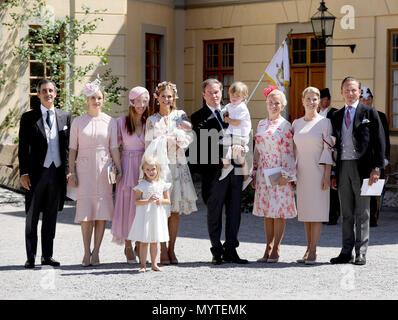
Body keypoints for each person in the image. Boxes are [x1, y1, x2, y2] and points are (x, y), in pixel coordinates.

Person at [191, 78, 249, 265]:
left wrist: (242, 152)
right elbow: (200, 147)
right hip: (214, 172)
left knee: (234, 212)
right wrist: (220, 159)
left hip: (236, 169)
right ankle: (216, 250)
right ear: (203, 95)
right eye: (210, 92)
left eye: (217, 92)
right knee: (214, 212)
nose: (215, 95)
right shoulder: (198, 117)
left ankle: (231, 249)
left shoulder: (232, 109)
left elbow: (244, 132)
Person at [329, 77, 385, 266]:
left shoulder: (369, 112)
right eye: (347, 90)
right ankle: (346, 251)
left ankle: (361, 252)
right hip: (343, 166)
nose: (350, 93)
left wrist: (376, 168)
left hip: (364, 169)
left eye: (354, 90)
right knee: (346, 212)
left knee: (363, 212)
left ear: (360, 92)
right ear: (342, 92)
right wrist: (334, 173)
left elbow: (379, 142)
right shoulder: (336, 115)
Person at [68, 79, 122, 267]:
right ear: (87, 99)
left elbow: (114, 147)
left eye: (99, 98)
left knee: (101, 213)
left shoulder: (110, 121)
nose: (96, 101)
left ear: (103, 99)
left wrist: (119, 167)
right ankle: (85, 252)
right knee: (86, 214)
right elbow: (72, 149)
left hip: (104, 170)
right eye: (93, 98)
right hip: (84, 170)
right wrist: (71, 171)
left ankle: (97, 252)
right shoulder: (78, 121)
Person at [18, 79, 71, 269]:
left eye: (51, 90)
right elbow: (23, 148)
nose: (48, 93)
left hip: (56, 174)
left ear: (56, 93)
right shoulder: (28, 118)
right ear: (38, 94)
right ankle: (30, 256)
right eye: (43, 91)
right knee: (32, 216)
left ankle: (47, 256)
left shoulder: (65, 117)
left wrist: (67, 171)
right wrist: (24, 172)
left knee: (50, 217)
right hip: (35, 174)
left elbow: (67, 148)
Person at [145, 81, 197, 265]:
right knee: (161, 209)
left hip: (178, 165)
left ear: (174, 97)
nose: (167, 99)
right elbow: (148, 146)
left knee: (175, 211)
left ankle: (172, 248)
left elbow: (190, 136)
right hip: (160, 168)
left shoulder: (179, 115)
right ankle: (162, 250)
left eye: (170, 96)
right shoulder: (151, 121)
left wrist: (177, 143)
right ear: (157, 97)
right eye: (164, 96)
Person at [252, 87, 297, 263]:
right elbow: (257, 150)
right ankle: (267, 246)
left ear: (283, 105)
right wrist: (254, 170)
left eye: (277, 102)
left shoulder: (285, 125)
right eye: (270, 102)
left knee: (278, 211)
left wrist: (287, 174)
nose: (273, 105)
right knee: (267, 211)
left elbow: (290, 151)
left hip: (279, 169)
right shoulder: (261, 124)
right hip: (264, 170)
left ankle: (276, 247)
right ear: (266, 103)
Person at [292, 87, 334, 264]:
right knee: (306, 213)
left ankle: (314, 250)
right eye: (308, 99)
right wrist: (291, 173)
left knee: (316, 213)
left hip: (318, 173)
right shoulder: (296, 123)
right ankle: (308, 247)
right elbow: (293, 150)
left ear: (319, 101)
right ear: (302, 101)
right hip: (301, 172)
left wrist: (326, 175)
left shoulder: (324, 123)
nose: (311, 102)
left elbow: (327, 150)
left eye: (315, 99)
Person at [111, 86, 149, 264]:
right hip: (127, 165)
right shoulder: (121, 122)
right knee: (127, 206)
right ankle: (127, 244)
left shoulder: (150, 122)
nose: (142, 105)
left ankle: (140, 243)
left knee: (142, 206)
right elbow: (113, 147)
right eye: (139, 101)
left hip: (145, 167)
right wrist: (118, 168)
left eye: (145, 101)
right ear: (132, 102)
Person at [127, 156, 171, 272]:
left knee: (154, 241)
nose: (151, 172)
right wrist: (148, 201)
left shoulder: (162, 184)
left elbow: (167, 201)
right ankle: (143, 265)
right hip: (145, 215)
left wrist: (160, 201)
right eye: (148, 170)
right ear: (144, 171)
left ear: (157, 169)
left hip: (157, 215)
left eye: (153, 169)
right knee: (144, 241)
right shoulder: (142, 185)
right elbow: (136, 201)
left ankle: (154, 264)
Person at [360, 86, 390, 227]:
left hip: (376, 159)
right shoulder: (357, 115)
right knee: (362, 190)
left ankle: (373, 218)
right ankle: (362, 217)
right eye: (364, 99)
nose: (367, 102)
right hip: (361, 160)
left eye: (369, 99)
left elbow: (385, 140)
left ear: (372, 100)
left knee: (374, 191)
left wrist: (384, 158)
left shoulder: (381, 115)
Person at [219, 81, 252, 190]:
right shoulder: (230, 105)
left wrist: (228, 119)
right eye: (232, 95)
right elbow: (223, 110)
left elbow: (237, 122)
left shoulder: (242, 107)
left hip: (241, 134)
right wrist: (223, 113)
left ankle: (244, 175)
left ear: (243, 97)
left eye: (237, 96)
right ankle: (229, 167)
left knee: (234, 154)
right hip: (232, 133)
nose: (234, 97)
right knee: (224, 150)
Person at [319, 88, 340, 225]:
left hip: (332, 152)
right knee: (320, 184)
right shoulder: (315, 113)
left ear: (329, 100)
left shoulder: (335, 113)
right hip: (318, 153)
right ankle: (320, 214)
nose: (321, 102)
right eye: (320, 99)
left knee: (332, 185)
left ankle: (333, 215)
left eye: (323, 99)